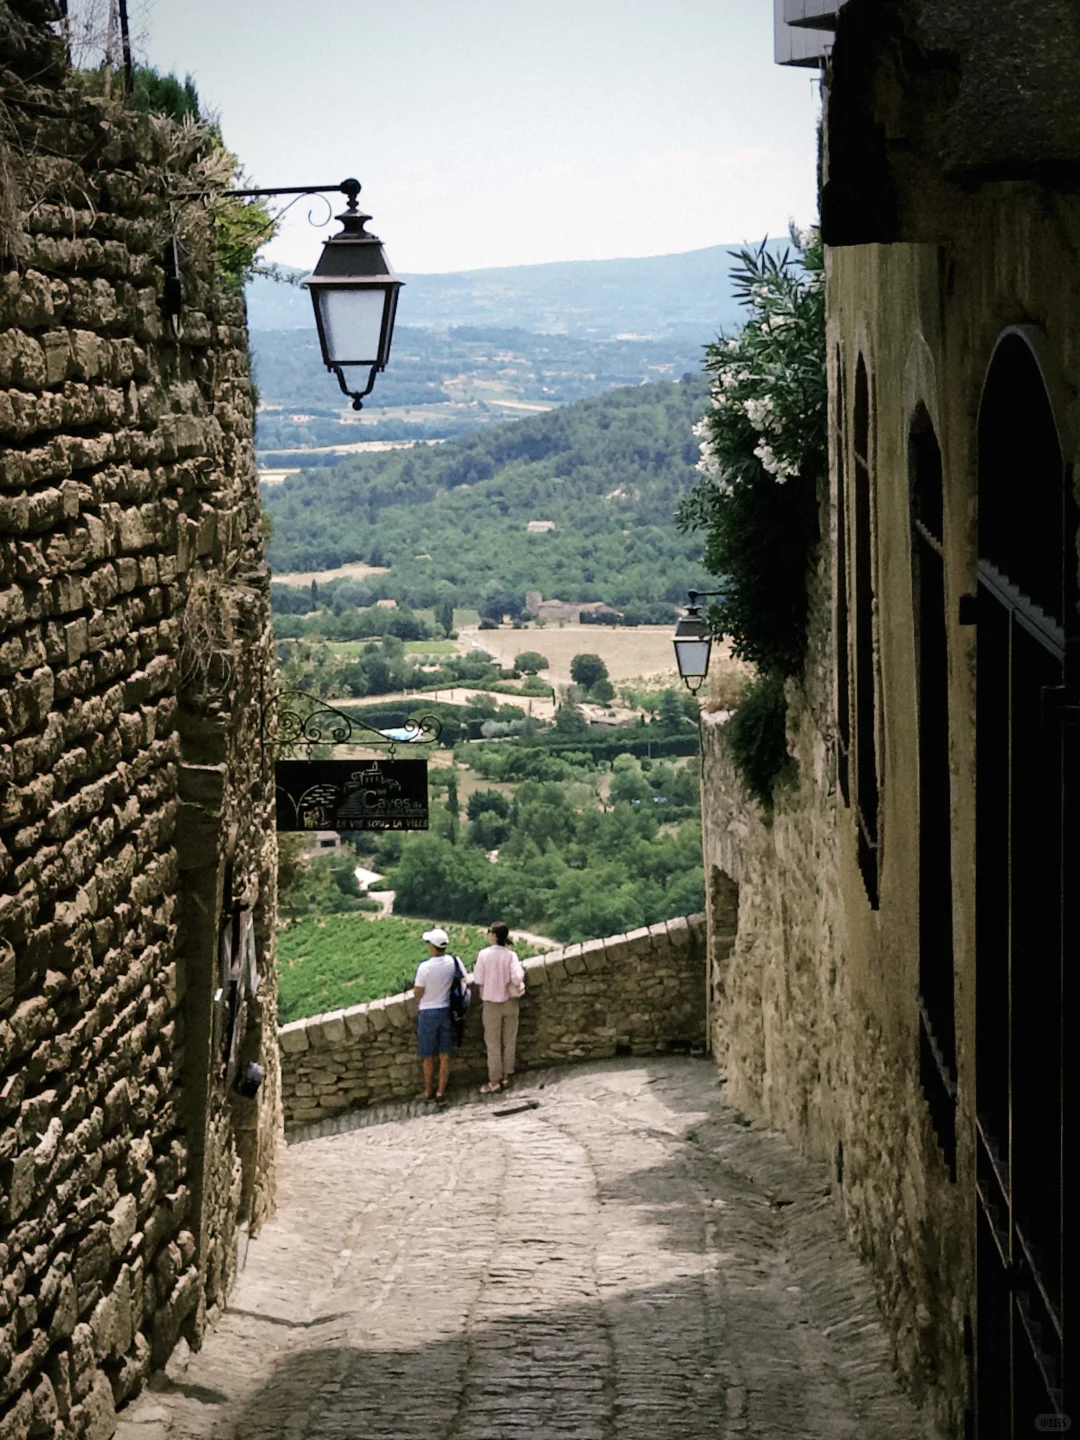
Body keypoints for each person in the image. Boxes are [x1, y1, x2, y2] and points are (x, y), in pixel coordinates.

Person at [413, 928, 466, 1102]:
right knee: (444, 1055)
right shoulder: (452, 962)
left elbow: (418, 993)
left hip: (427, 1012)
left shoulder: (424, 968)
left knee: (428, 1056)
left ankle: (428, 1090)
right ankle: (441, 1091)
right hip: (446, 1010)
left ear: (433, 947)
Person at [472, 922, 524, 1094]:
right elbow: (517, 977)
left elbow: (478, 978)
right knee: (510, 1040)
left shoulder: (484, 955)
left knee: (493, 1043)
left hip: (491, 1004)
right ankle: (507, 1076)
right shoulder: (511, 955)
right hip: (510, 1002)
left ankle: (494, 1081)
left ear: (494, 936)